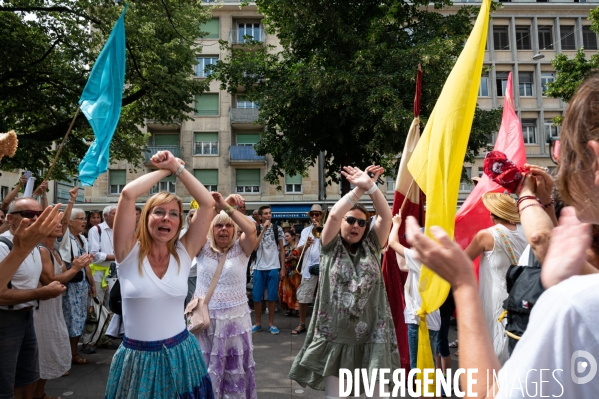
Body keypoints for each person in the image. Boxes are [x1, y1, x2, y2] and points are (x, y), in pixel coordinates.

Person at [401, 73, 599, 398]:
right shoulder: (576, 284)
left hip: (495, 308)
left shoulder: (573, 306)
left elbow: (487, 393)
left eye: (565, 153)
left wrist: (463, 285)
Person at [104, 150, 214, 399]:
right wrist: (166, 170)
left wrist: (179, 168)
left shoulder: (184, 252)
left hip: (182, 355)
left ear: (179, 222)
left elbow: (207, 203)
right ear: (146, 217)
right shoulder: (127, 252)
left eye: (174, 213)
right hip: (137, 360)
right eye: (159, 212)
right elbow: (128, 194)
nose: (167, 217)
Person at [289, 165, 399, 397]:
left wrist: (371, 186)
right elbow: (336, 214)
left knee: (380, 394)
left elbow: (386, 216)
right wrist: (357, 191)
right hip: (336, 337)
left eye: (362, 223)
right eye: (351, 220)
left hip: (373, 335)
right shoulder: (330, 246)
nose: (356, 225)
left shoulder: (372, 246)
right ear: (340, 224)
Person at [193, 193, 257, 398]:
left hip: (234, 324)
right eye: (218, 226)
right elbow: (197, 226)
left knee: (233, 370)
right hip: (204, 323)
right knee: (202, 370)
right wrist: (220, 205)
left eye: (228, 226)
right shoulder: (201, 248)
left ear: (235, 230)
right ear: (211, 229)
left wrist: (227, 208)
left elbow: (251, 228)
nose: (224, 229)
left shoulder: (242, 248)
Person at [0, 199, 66, 399]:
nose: (37, 219)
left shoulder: (34, 247)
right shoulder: (3, 246)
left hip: (28, 317)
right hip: (6, 321)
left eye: (41, 214)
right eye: (28, 214)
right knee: (5, 385)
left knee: (26, 378)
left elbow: (31, 282)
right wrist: (41, 293)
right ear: (10, 219)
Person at [33, 212, 92, 399]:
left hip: (54, 307)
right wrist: (75, 268)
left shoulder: (55, 251)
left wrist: (76, 267)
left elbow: (65, 278)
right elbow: (51, 280)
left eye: (61, 223)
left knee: (49, 350)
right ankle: (34, 394)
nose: (60, 226)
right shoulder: (41, 250)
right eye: (54, 223)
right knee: (41, 353)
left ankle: (40, 393)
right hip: (42, 310)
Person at [464, 192, 527, 364]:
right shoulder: (528, 231)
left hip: (497, 299)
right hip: (523, 296)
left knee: (495, 347)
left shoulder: (486, 235)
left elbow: (461, 261)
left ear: (492, 214)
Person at [388, 214, 441, 370]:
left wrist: (396, 224)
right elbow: (402, 265)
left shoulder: (420, 257)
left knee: (418, 366)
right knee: (428, 363)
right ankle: (430, 391)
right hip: (430, 320)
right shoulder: (432, 258)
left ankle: (424, 393)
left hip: (419, 322)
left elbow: (392, 243)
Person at [56, 190, 96, 359]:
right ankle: (66, 355)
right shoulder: (65, 237)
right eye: (80, 218)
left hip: (81, 285)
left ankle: (73, 353)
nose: (84, 221)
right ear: (71, 222)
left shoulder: (83, 238)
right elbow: (63, 222)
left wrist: (92, 283)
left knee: (79, 319)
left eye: (84, 219)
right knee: (69, 320)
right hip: (69, 285)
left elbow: (86, 264)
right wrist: (70, 201)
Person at [251, 205, 285, 335]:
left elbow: (282, 250)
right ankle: (258, 323)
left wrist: (282, 268)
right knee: (257, 297)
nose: (268, 215)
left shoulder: (278, 229)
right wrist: (263, 230)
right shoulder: (255, 229)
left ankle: (271, 324)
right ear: (260, 216)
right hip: (259, 268)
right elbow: (254, 247)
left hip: (273, 267)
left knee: (272, 297)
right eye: (265, 214)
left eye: (270, 213)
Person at [292, 204, 324, 335]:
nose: (315, 216)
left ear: (322, 215)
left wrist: (320, 232)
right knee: (304, 297)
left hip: (324, 265)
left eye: (317, 214)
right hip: (309, 267)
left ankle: (323, 325)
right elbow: (298, 250)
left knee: (324, 297)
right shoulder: (306, 231)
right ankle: (302, 323)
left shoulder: (328, 228)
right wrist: (306, 244)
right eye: (312, 214)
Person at [279, 229, 301, 317]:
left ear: (293, 237)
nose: (286, 238)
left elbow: (301, 258)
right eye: (285, 236)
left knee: (296, 290)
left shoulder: (298, 247)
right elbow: (280, 259)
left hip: (295, 271)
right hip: (286, 271)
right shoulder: (284, 248)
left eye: (287, 236)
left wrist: (294, 258)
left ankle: (298, 309)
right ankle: (289, 308)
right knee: (287, 290)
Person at [180, 208, 197, 308]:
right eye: (191, 215)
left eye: (196, 215)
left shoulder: (206, 233)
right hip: (187, 272)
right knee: (190, 299)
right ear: (188, 218)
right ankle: (189, 322)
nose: (194, 218)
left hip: (201, 273)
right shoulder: (182, 233)